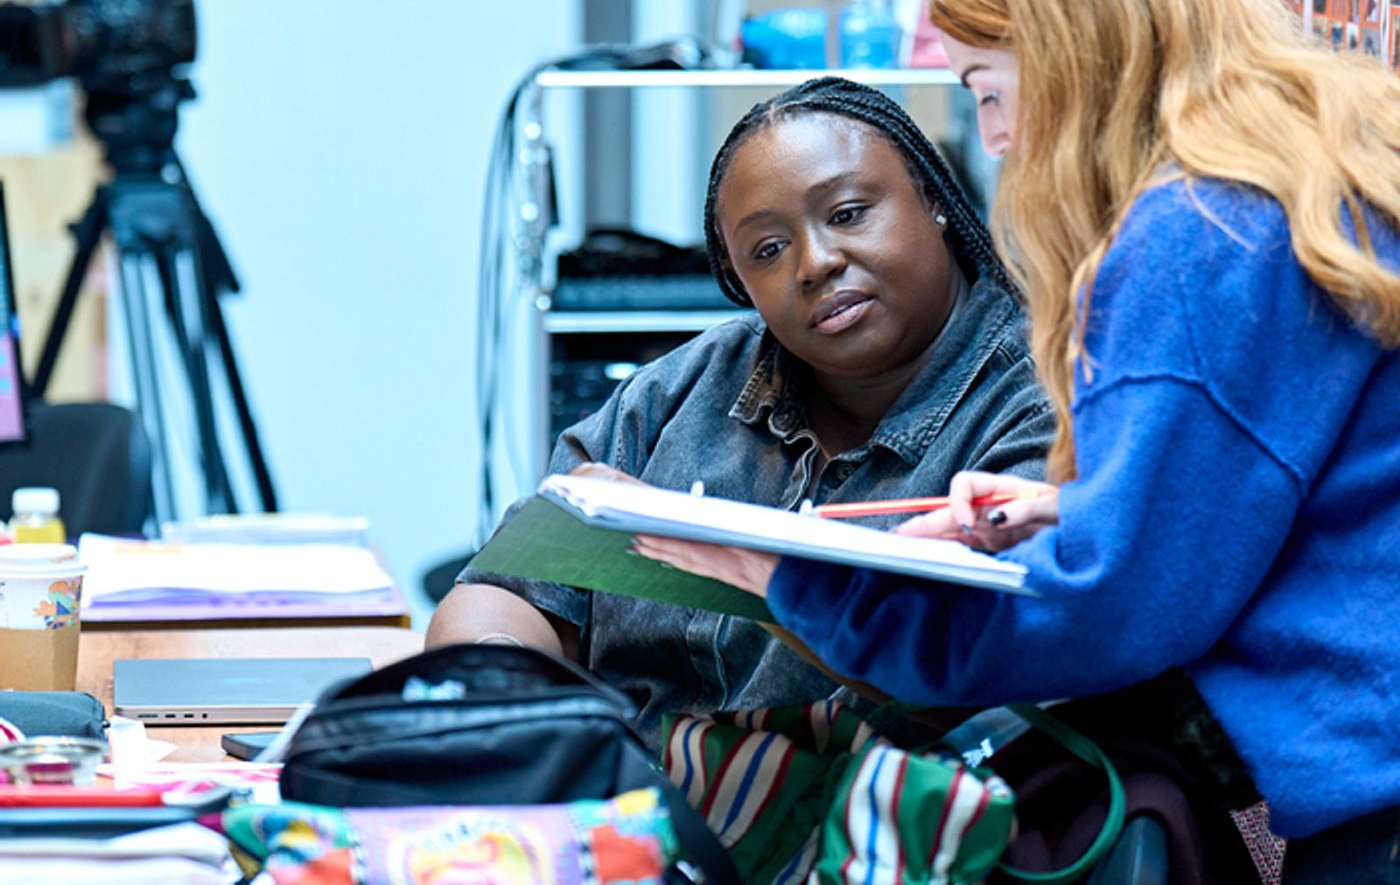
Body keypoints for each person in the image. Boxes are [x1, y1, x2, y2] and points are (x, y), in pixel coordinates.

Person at [633, 0, 1400, 881]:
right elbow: (1281, 483)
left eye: (988, 91)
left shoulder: (1197, 232)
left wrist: (796, 583)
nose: (993, 139)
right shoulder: (1324, 165)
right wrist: (1074, 506)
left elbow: (1109, 607)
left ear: (1072, 51)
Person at [427, 77, 1054, 746]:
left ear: (931, 196)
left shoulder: (1041, 403)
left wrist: (735, 565)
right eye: (768, 250)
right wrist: (496, 690)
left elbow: (975, 669)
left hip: (875, 824)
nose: (815, 263)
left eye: (847, 213)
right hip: (632, 810)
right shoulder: (683, 391)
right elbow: (509, 589)